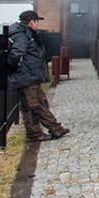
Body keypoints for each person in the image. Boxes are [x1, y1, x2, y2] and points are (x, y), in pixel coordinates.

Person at [7, 10, 69, 142]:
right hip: (27, 76)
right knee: (33, 106)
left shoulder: (23, 33)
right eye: (37, 21)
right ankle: (36, 133)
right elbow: (16, 54)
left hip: (30, 75)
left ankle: (55, 128)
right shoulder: (22, 35)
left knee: (39, 103)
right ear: (31, 21)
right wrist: (17, 70)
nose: (38, 24)